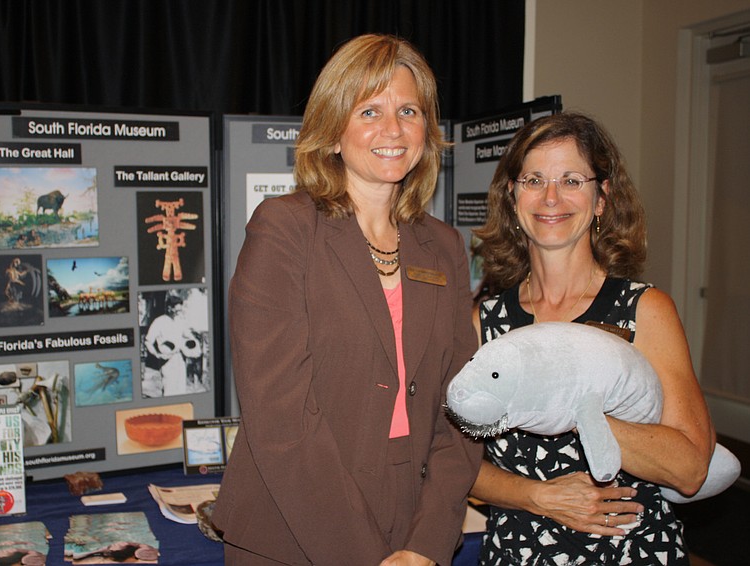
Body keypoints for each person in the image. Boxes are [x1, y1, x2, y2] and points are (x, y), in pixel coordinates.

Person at [212, 34, 483, 565]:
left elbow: (466, 408)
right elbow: (281, 419)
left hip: (413, 519)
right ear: (334, 130)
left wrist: (427, 543)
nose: (393, 129)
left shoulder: (445, 246)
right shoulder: (285, 229)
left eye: (408, 110)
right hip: (294, 525)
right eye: (369, 111)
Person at [469, 111, 716, 565]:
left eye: (572, 180)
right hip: (519, 551)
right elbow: (453, 464)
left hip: (629, 552)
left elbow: (690, 469)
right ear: (512, 195)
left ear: (601, 198)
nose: (550, 197)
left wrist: (579, 413)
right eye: (533, 179)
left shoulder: (645, 310)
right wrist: (536, 496)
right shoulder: (486, 322)